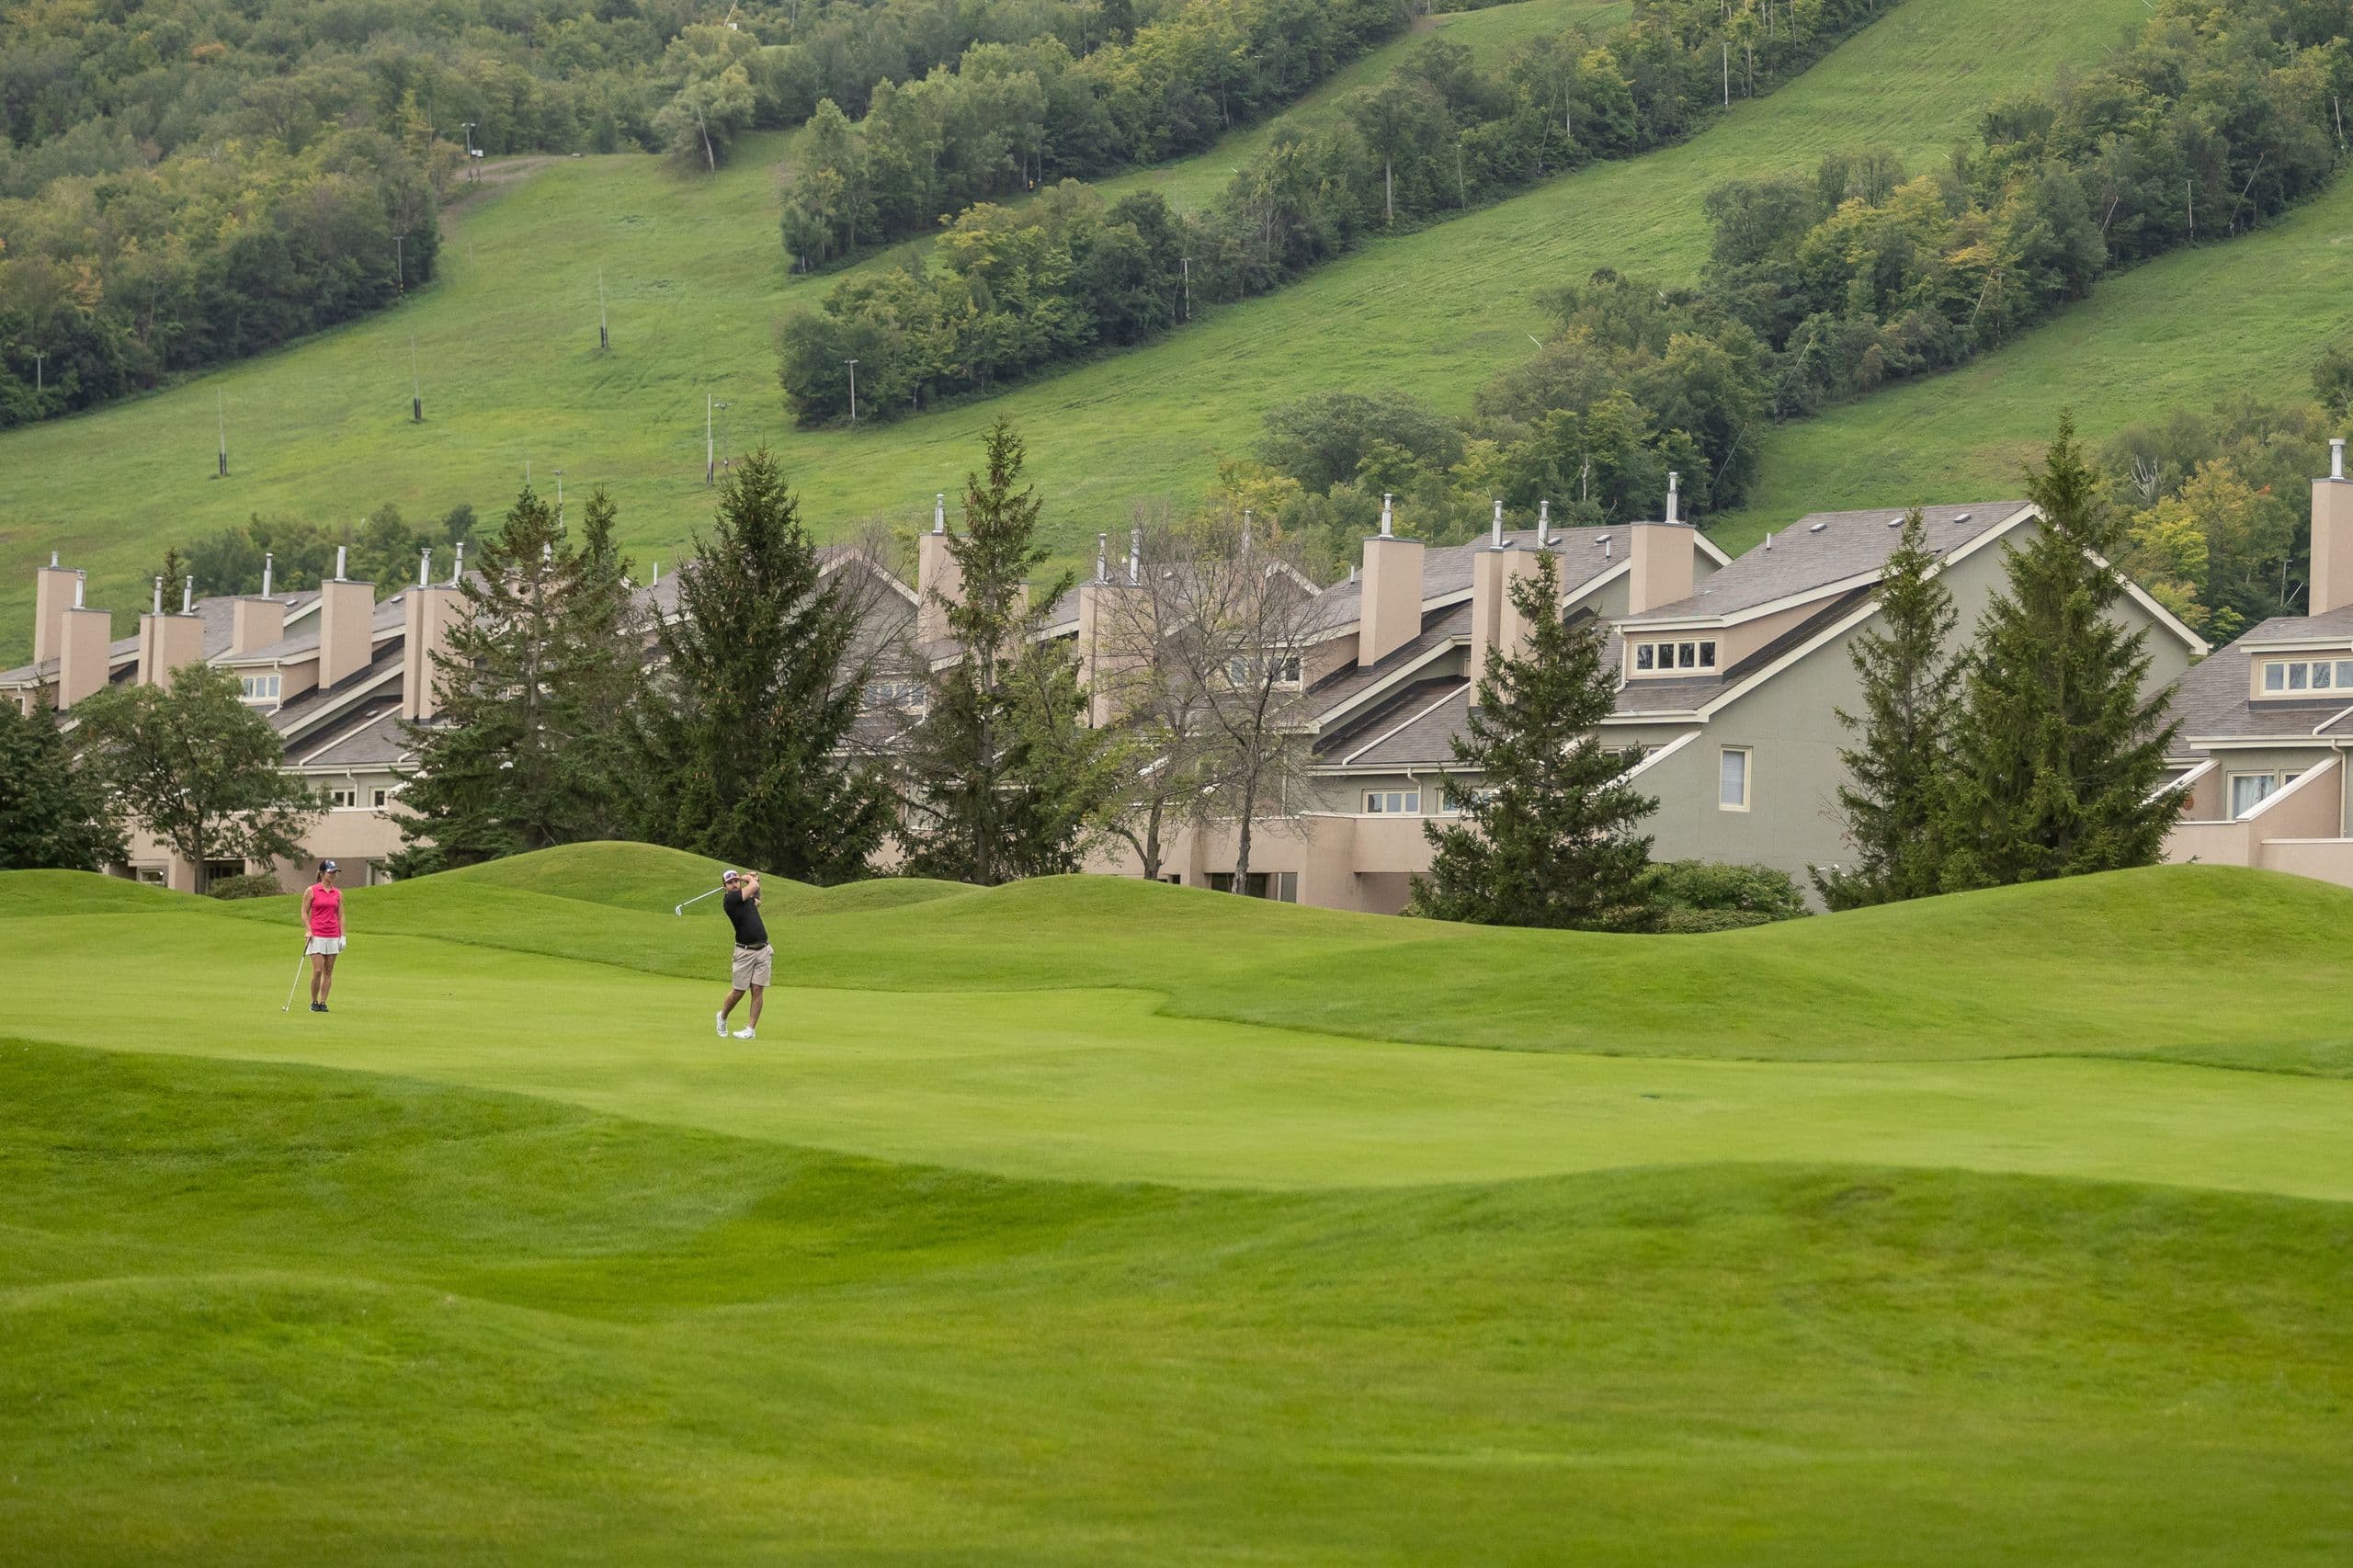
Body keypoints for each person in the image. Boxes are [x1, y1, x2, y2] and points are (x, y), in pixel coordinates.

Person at [716, 869, 770, 1040]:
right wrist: (751, 879)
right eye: (730, 882)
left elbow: (758, 899)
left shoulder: (745, 898)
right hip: (744, 952)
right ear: (725, 886)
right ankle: (722, 1016)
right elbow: (753, 886)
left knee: (757, 990)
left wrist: (754, 881)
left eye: (736, 881)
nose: (734, 884)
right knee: (739, 991)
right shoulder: (731, 900)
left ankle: (750, 1030)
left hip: (763, 950)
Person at [302, 860, 346, 1013]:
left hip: (333, 935)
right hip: (317, 935)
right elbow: (304, 913)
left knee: (328, 971)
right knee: (318, 970)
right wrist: (308, 930)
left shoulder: (338, 893)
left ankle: (323, 1002)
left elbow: (341, 916)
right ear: (322, 873)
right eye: (330, 872)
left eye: (335, 872)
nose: (333, 875)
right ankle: (314, 1001)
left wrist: (343, 936)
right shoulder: (312, 890)